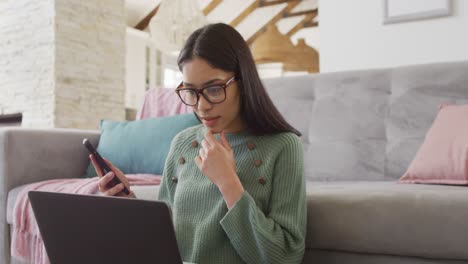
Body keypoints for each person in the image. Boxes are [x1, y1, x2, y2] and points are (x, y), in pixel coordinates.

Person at [90, 23, 306, 264]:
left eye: (214, 89)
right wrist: (128, 202)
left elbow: (285, 256)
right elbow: (166, 236)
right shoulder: (183, 143)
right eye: (191, 91)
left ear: (243, 81)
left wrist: (228, 183)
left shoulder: (283, 146)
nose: (201, 106)